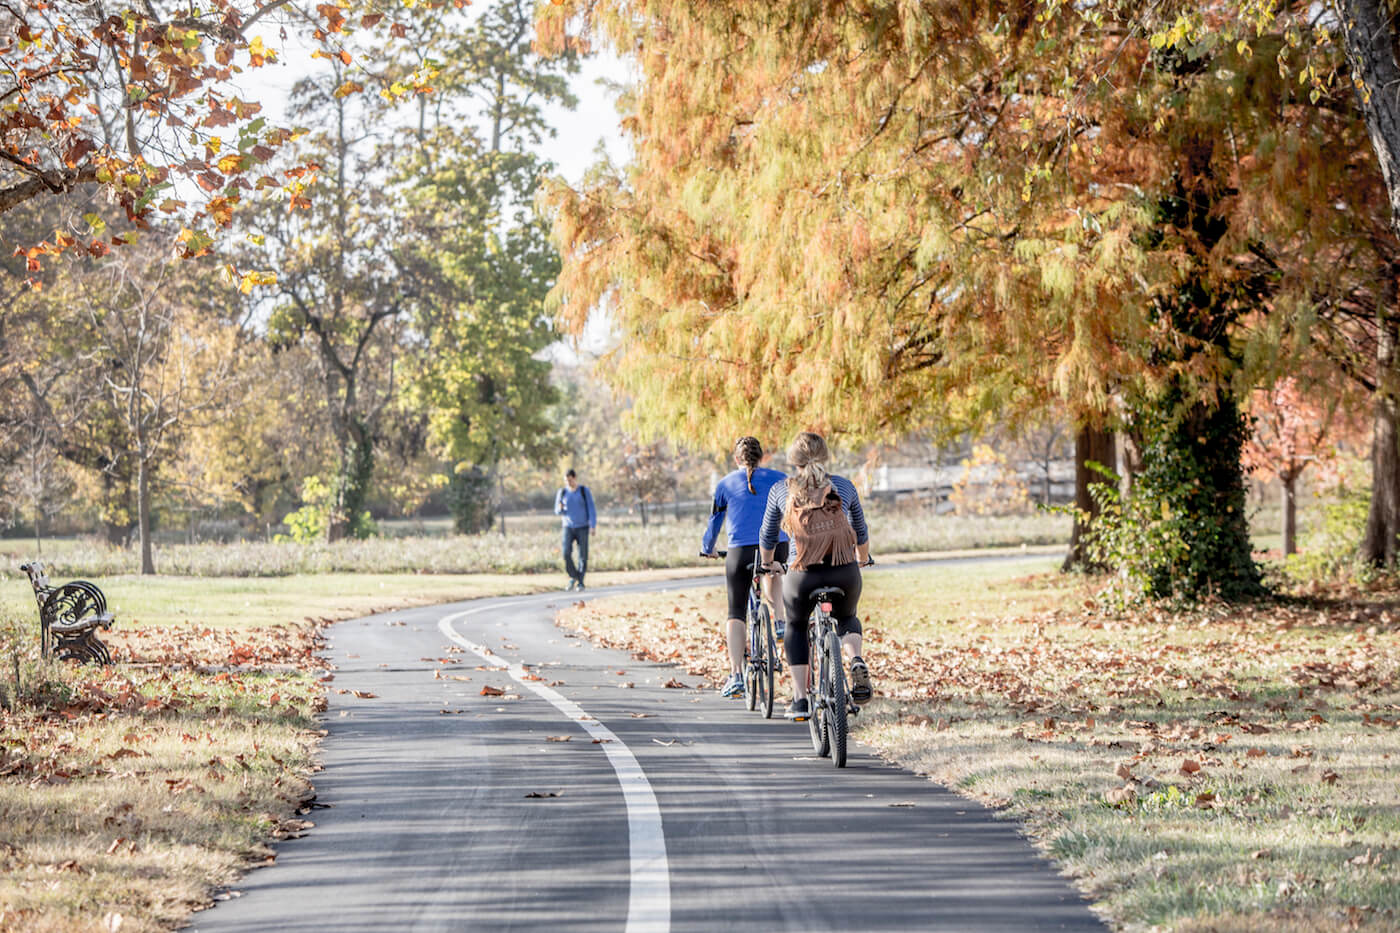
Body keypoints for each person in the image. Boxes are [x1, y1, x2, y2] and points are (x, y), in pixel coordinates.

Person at [759, 431, 873, 721]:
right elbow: (860, 529)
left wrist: (768, 563)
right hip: (843, 569)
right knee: (846, 618)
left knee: (796, 625)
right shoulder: (844, 486)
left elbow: (768, 534)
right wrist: (862, 559)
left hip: (802, 574)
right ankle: (855, 659)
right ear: (826, 455)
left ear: (793, 460)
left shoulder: (780, 491)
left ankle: (800, 700)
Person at [700, 437, 790, 699]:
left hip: (739, 552)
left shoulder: (725, 484)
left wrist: (708, 548)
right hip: (777, 544)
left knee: (736, 611)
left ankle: (736, 674)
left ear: (736, 459)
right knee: (772, 570)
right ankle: (781, 621)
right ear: (762, 457)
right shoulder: (781, 478)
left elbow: (714, 522)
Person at [554, 468, 596, 591]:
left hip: (582, 527)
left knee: (583, 555)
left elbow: (591, 509)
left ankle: (580, 582)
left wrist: (592, 525)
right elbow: (557, 511)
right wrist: (560, 508)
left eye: (570, 480)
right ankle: (574, 576)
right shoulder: (562, 492)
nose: (568, 483)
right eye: (566, 481)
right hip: (568, 526)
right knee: (566, 553)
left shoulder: (583, 491)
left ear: (575, 478)